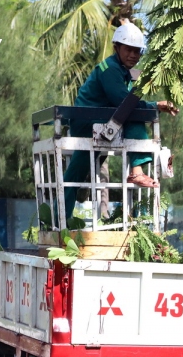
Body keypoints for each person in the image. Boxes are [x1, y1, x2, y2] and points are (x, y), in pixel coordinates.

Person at [62, 20, 176, 222]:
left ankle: (60, 218)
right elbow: (124, 103)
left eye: (137, 51)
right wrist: (152, 107)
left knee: (73, 177)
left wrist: (155, 105)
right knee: (132, 117)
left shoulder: (119, 69)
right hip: (88, 121)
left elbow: (124, 102)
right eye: (128, 49)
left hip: (92, 119)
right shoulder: (111, 69)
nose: (133, 55)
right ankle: (137, 170)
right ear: (116, 47)